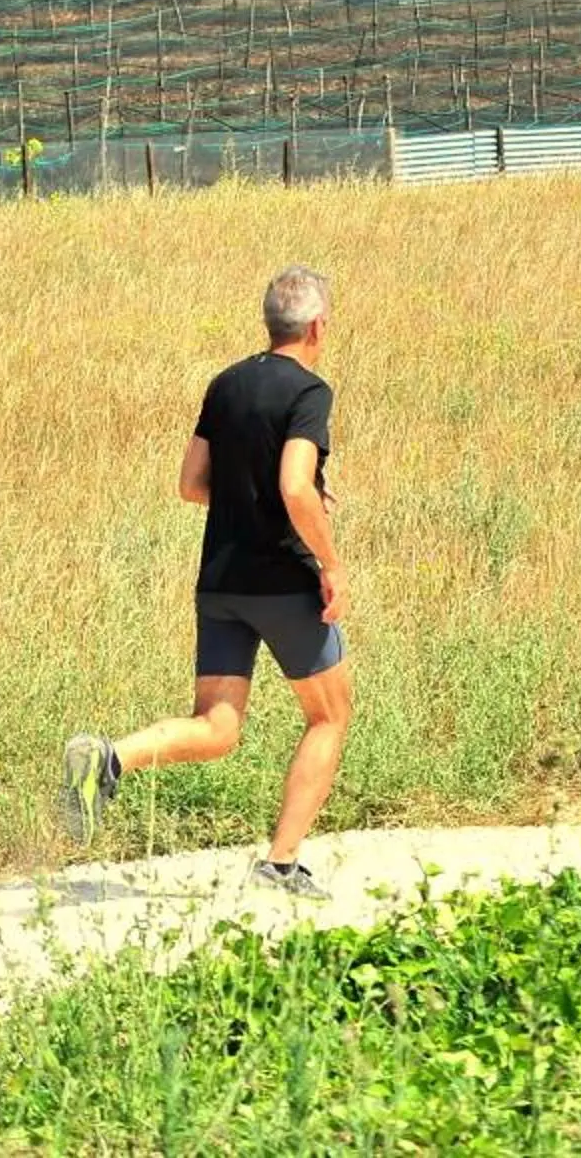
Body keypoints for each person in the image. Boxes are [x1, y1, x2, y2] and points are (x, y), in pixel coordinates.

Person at [58, 266, 352, 897]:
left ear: (270, 322)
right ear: (319, 325)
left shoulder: (225, 385)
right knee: (330, 715)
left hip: (219, 582)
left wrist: (245, 499)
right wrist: (330, 564)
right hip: (283, 583)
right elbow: (295, 485)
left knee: (218, 727)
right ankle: (280, 864)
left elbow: (191, 483)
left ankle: (109, 758)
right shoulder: (310, 393)